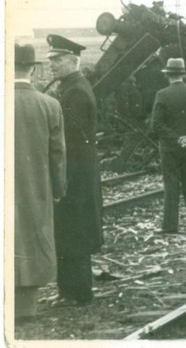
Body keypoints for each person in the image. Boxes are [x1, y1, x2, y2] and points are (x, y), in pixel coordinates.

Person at [46, 34, 103, 306]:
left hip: (75, 175)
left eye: (57, 60)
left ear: (73, 60)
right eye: (51, 60)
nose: (52, 65)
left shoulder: (76, 91)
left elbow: (70, 140)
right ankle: (68, 290)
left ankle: (78, 293)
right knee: (68, 231)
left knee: (74, 232)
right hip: (74, 173)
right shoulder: (71, 87)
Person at [14, 44, 66, 321]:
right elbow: (58, 154)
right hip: (36, 186)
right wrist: (57, 188)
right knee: (32, 239)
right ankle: (26, 308)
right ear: (33, 70)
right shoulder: (50, 105)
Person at [149, 58, 186, 234]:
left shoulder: (162, 94)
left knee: (171, 187)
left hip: (170, 149)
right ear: (183, 74)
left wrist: (176, 139)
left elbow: (156, 125)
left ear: (167, 75)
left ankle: (170, 227)